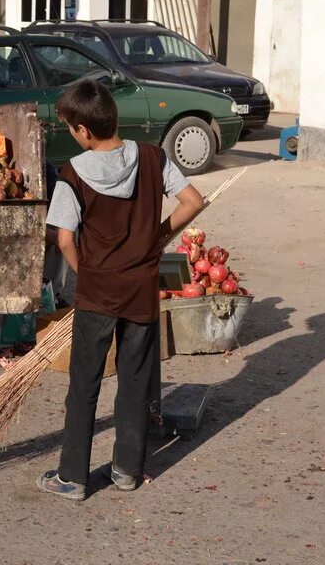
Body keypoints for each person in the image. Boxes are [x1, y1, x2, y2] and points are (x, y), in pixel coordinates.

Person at [37, 79, 203, 501]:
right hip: (140, 291)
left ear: (82, 130)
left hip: (97, 294)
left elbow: (64, 240)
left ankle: (72, 477)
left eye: (70, 128)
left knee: (85, 384)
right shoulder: (152, 158)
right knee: (134, 381)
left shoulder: (72, 174)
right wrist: (157, 238)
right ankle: (128, 470)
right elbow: (192, 202)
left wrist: (87, 273)